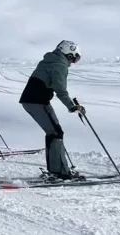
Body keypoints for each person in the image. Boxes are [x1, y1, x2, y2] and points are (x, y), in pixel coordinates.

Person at [19, 40, 86, 180]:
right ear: (68, 54)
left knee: (55, 132)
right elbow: (60, 90)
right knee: (55, 133)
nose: (73, 61)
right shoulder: (59, 65)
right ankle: (59, 171)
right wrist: (72, 106)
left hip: (36, 100)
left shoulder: (49, 60)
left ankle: (59, 169)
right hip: (36, 101)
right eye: (74, 57)